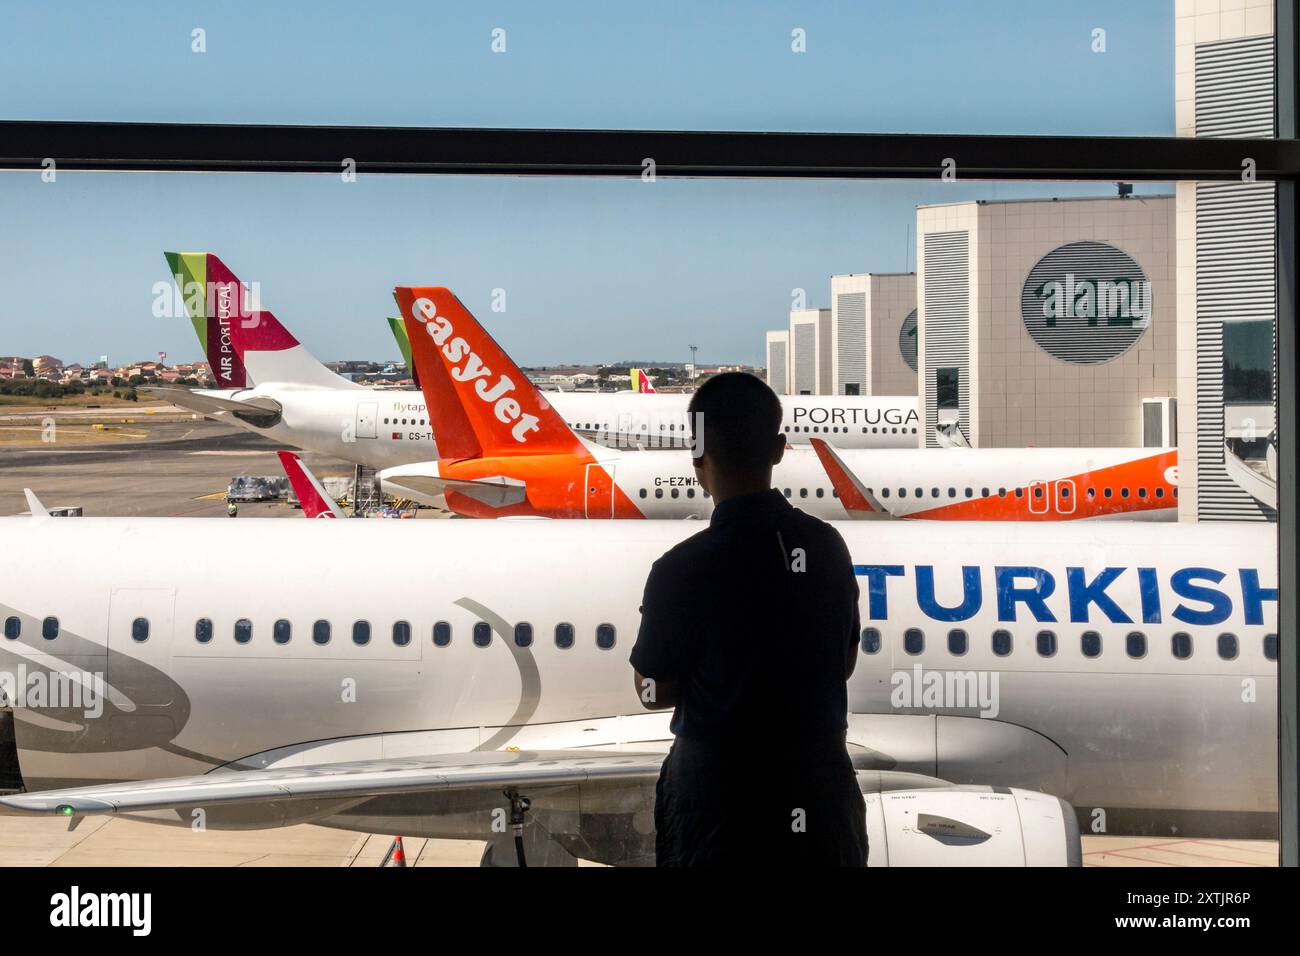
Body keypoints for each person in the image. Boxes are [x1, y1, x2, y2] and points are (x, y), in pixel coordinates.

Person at [629, 372, 868, 867]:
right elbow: (841, 663)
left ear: (697, 455)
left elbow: (651, 689)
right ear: (780, 449)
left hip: (716, 805)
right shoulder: (826, 548)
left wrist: (717, 683)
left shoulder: (680, 568)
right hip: (817, 795)